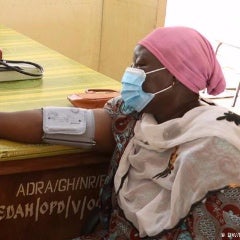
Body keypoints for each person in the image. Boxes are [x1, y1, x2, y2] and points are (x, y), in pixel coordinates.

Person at [1, 26, 240, 239]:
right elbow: (53, 123)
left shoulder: (218, 148)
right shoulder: (134, 116)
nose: (130, 73)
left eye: (141, 65)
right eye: (132, 64)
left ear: (176, 76)